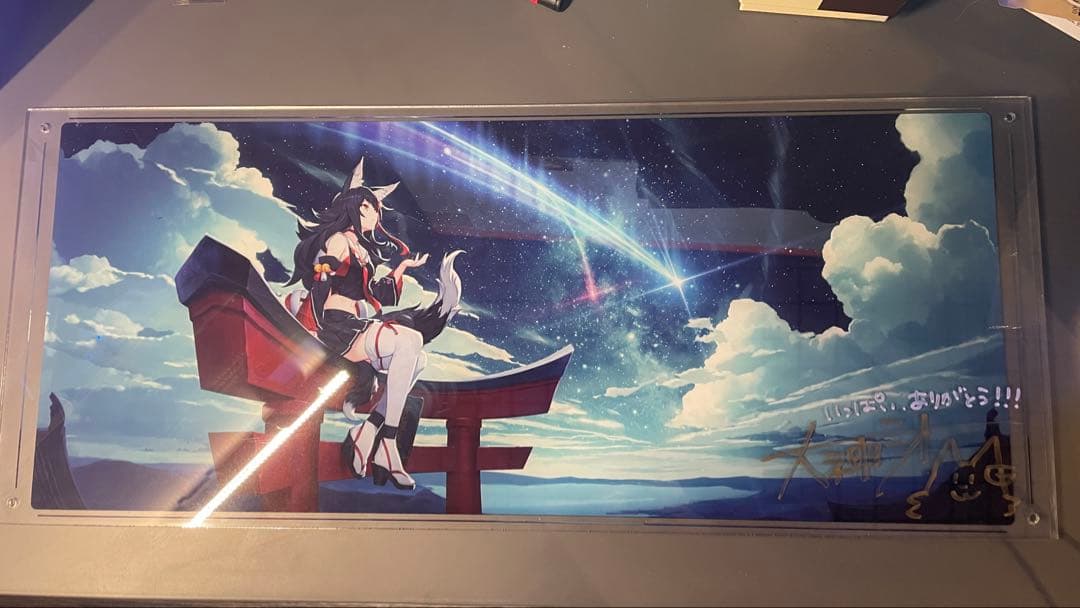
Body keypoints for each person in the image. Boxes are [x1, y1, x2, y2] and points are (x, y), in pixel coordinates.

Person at [285, 159, 462, 490]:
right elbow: (321, 278)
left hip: (354, 325)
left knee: (418, 359)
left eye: (376, 209)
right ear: (353, 207)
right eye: (368, 207)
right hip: (335, 328)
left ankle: (368, 433)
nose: (374, 215)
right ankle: (388, 444)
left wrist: (403, 268)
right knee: (410, 341)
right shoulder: (338, 240)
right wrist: (313, 327)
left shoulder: (361, 250)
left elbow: (379, 293)